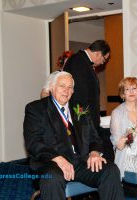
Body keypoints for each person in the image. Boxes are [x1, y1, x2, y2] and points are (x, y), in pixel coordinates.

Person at [23, 71, 125, 200]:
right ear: (52, 88)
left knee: (110, 170)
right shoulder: (36, 109)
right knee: (52, 179)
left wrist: (94, 153)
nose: (66, 90)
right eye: (62, 86)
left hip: (80, 162)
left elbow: (94, 137)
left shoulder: (80, 108)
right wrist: (58, 159)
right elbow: (34, 142)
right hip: (50, 163)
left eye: (70, 87)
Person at [63, 40, 110, 132]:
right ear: (98, 53)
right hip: (83, 121)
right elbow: (79, 95)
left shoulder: (83, 61)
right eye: (104, 59)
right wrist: (86, 122)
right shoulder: (78, 61)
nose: (103, 62)